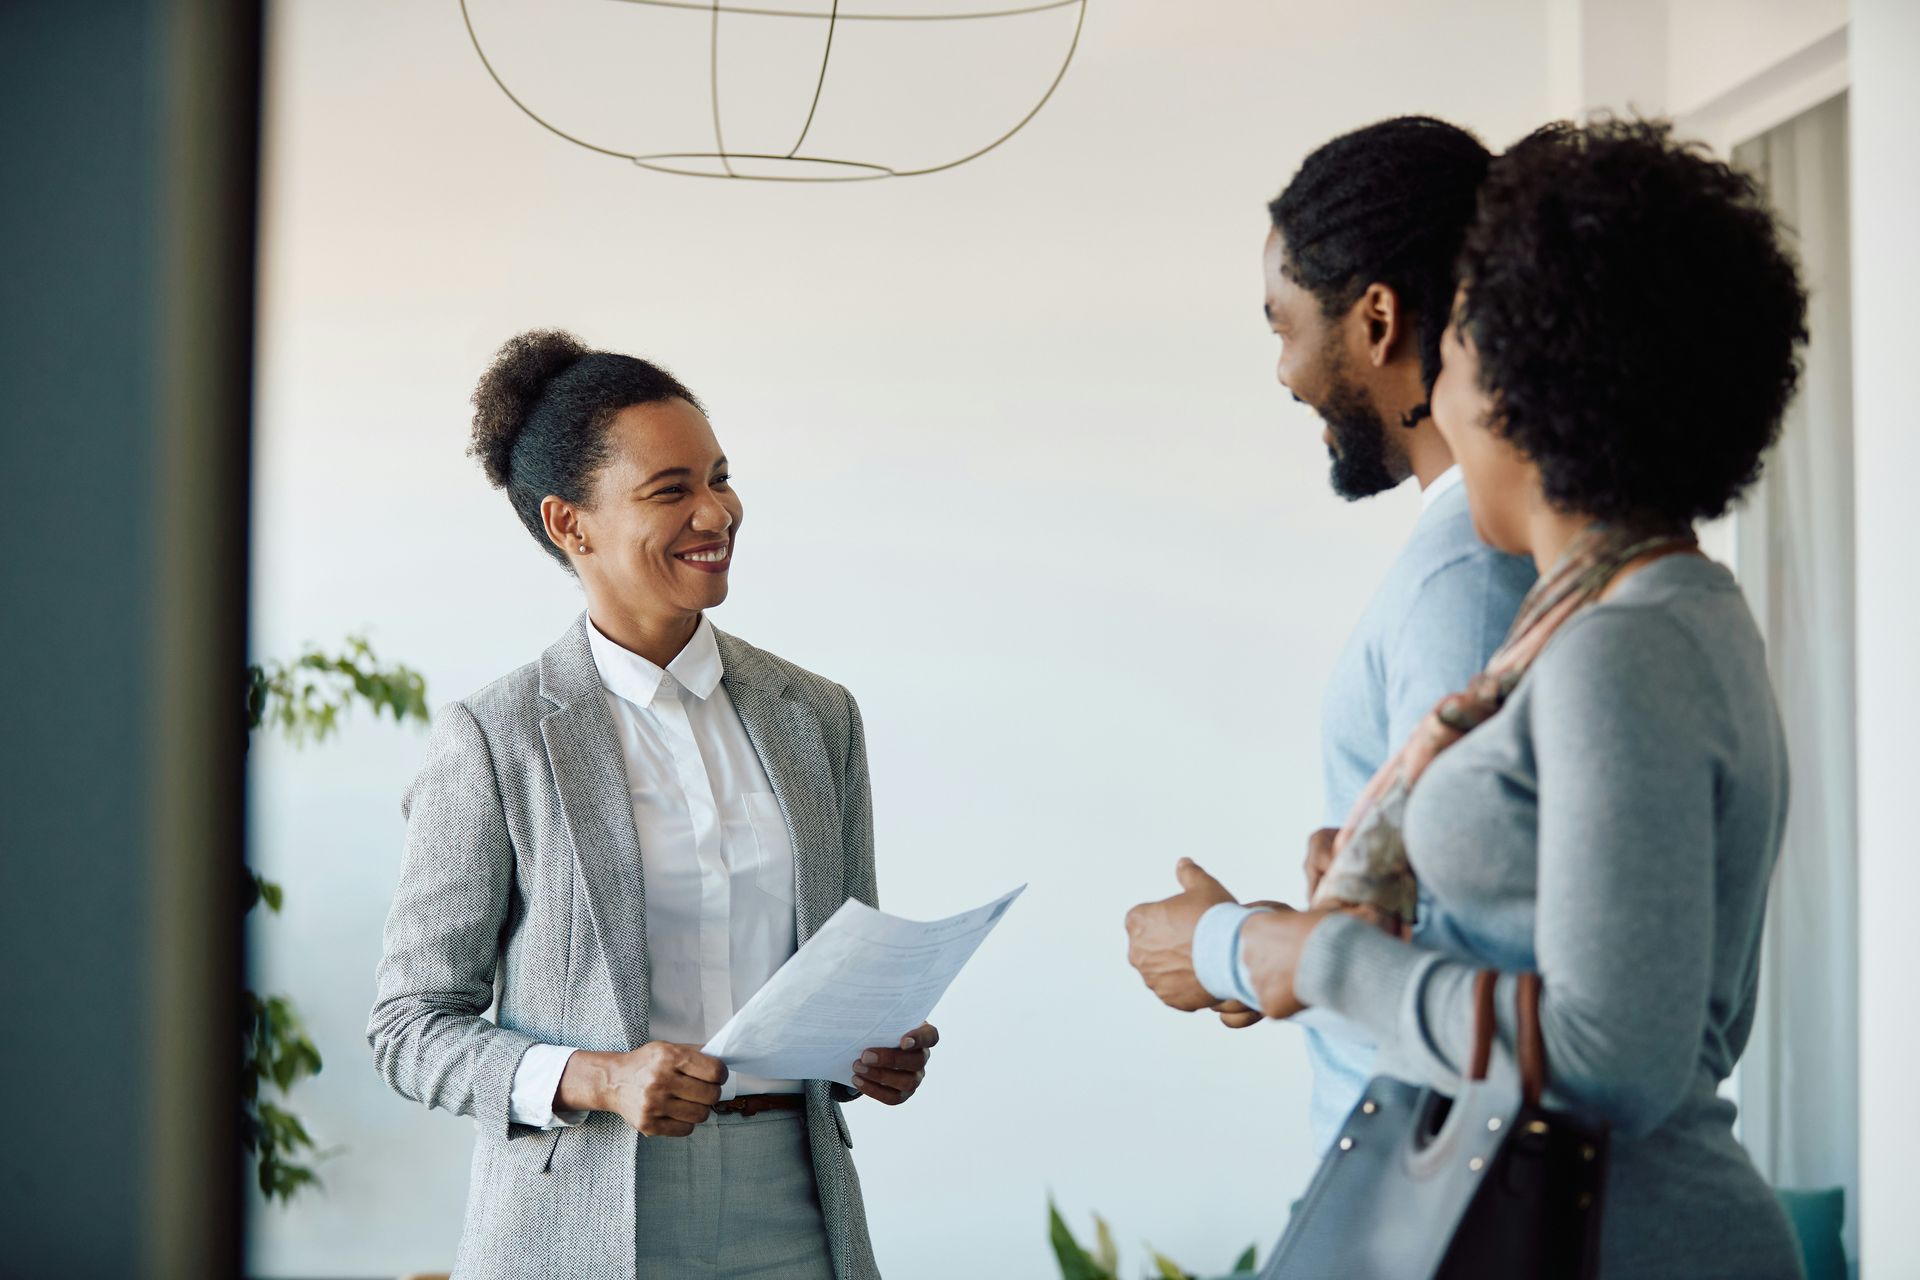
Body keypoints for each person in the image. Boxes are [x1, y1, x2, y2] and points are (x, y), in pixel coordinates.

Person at [1127, 119, 1808, 1279]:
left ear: (1529, 386)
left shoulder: (1616, 650)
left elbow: (1611, 1051)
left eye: (1459, 353)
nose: (1438, 384)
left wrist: (1295, 957)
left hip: (1599, 1238)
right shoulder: (1652, 612)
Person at [367, 331, 933, 1280]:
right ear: (570, 524)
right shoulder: (496, 736)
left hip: (794, 1203)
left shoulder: (817, 716)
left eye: (719, 477)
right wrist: (599, 1077)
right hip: (584, 1215)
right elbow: (410, 1027)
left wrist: (872, 1054)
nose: (717, 511)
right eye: (671, 490)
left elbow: (845, 970)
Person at [1234, 116, 1536, 1152]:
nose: (1282, 372)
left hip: (1429, 1183)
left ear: (1374, 319)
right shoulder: (1463, 558)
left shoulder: (1467, 575)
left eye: (1283, 326)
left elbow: (1474, 957)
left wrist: (1236, 948)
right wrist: (1315, 924)